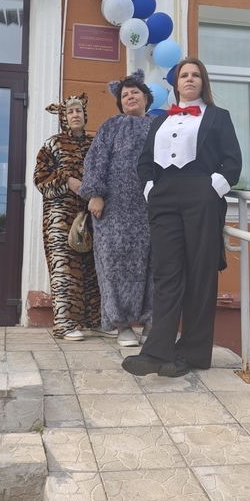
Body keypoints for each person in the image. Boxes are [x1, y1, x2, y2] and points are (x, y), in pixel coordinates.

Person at [122, 58, 242, 377]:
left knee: (201, 274)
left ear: (203, 82)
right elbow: (145, 162)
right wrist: (150, 189)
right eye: (183, 75)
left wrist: (212, 189)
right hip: (164, 198)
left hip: (201, 195)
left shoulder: (218, 117)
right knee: (167, 274)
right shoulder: (160, 121)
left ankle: (192, 354)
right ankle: (156, 351)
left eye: (195, 75)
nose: (189, 79)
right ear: (175, 84)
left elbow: (232, 161)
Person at [79, 70, 154, 347]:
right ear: (120, 103)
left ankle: (152, 324)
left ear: (146, 97)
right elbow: (95, 160)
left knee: (154, 265)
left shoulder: (159, 125)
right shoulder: (111, 126)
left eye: (135, 92)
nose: (130, 97)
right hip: (114, 211)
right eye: (124, 95)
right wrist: (95, 194)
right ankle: (122, 325)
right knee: (114, 265)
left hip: (151, 208)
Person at [34, 94, 115, 341]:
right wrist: (67, 180)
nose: (75, 115)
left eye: (78, 110)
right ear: (63, 117)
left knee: (94, 269)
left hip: (93, 214)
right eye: (70, 112)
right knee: (64, 269)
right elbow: (40, 178)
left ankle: (96, 320)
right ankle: (64, 323)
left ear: (84, 114)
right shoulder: (53, 144)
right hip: (61, 216)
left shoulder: (96, 144)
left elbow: (108, 174)